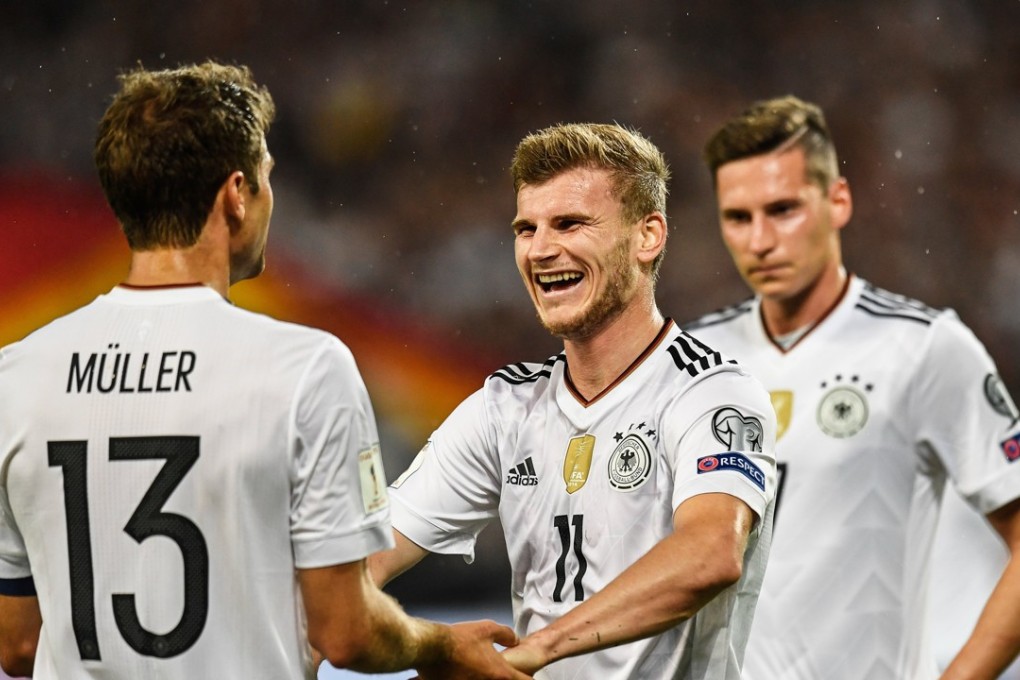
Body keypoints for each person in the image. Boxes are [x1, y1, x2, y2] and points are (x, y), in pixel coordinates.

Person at [0, 60, 528, 680]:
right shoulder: (305, 371)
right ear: (236, 195)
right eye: (267, 178)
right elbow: (347, 633)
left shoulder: (18, 375)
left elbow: (16, 645)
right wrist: (437, 648)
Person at [368, 122, 778, 679]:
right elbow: (368, 552)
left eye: (570, 224)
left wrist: (535, 651)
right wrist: (322, 633)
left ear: (647, 235)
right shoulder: (505, 407)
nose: (540, 250)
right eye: (526, 228)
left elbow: (711, 554)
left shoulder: (711, 393)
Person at [685, 94, 1020, 679]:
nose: (760, 239)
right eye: (738, 217)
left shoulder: (923, 348)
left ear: (837, 200)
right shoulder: (692, 360)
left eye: (783, 209)